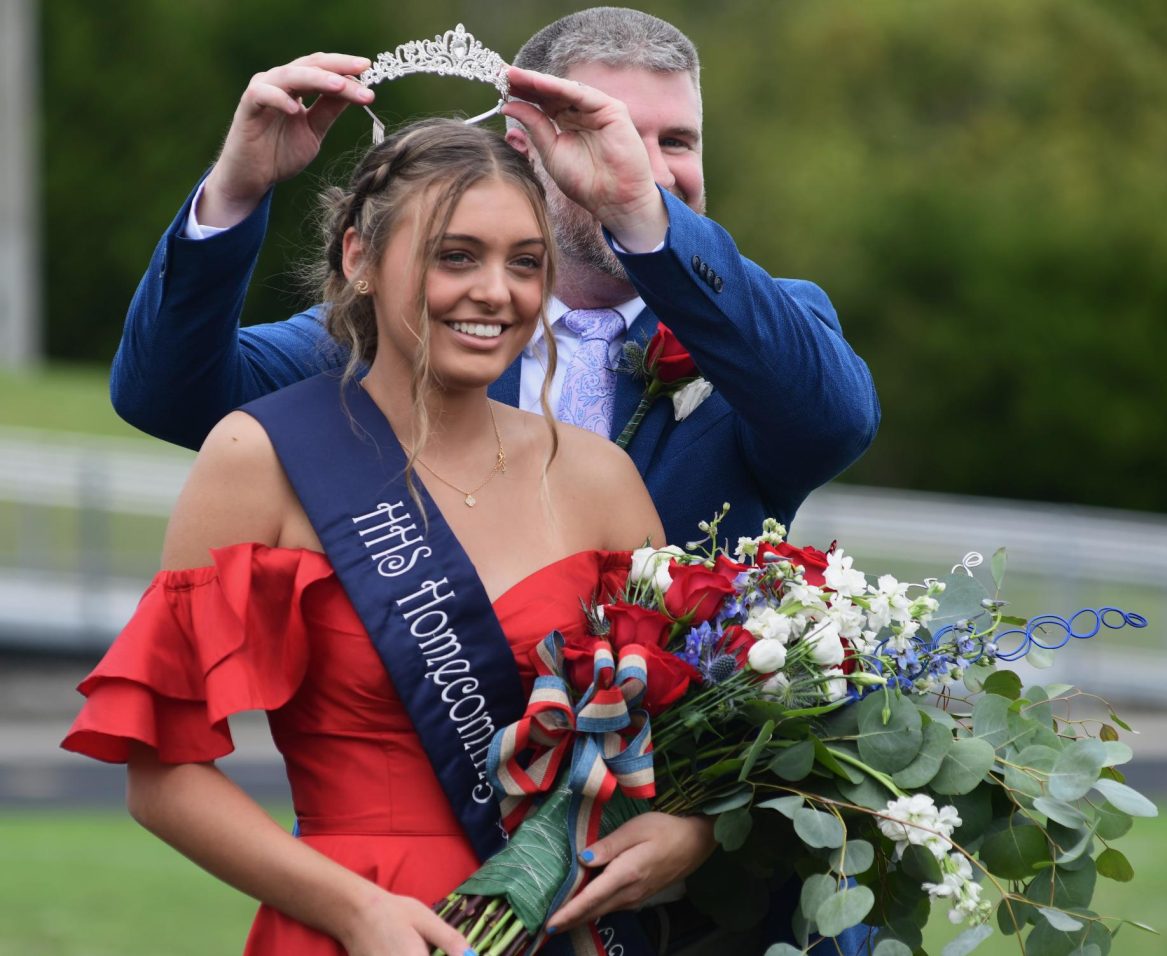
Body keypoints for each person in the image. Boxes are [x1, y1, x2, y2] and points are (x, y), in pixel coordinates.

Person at [63, 120, 719, 955]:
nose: (496, 291)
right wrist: (353, 909)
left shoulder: (598, 479)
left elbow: (685, 740)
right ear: (358, 259)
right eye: (456, 256)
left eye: (525, 262)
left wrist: (688, 836)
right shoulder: (261, 458)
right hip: (354, 926)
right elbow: (162, 778)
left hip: (556, 925)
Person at [109, 8, 880, 550]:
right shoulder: (400, 335)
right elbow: (168, 395)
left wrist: (645, 220)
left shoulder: (758, 329)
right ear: (523, 145)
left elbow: (834, 422)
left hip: (679, 773)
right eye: (605, 131)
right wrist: (237, 191)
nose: (644, 164)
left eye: (675, 141)